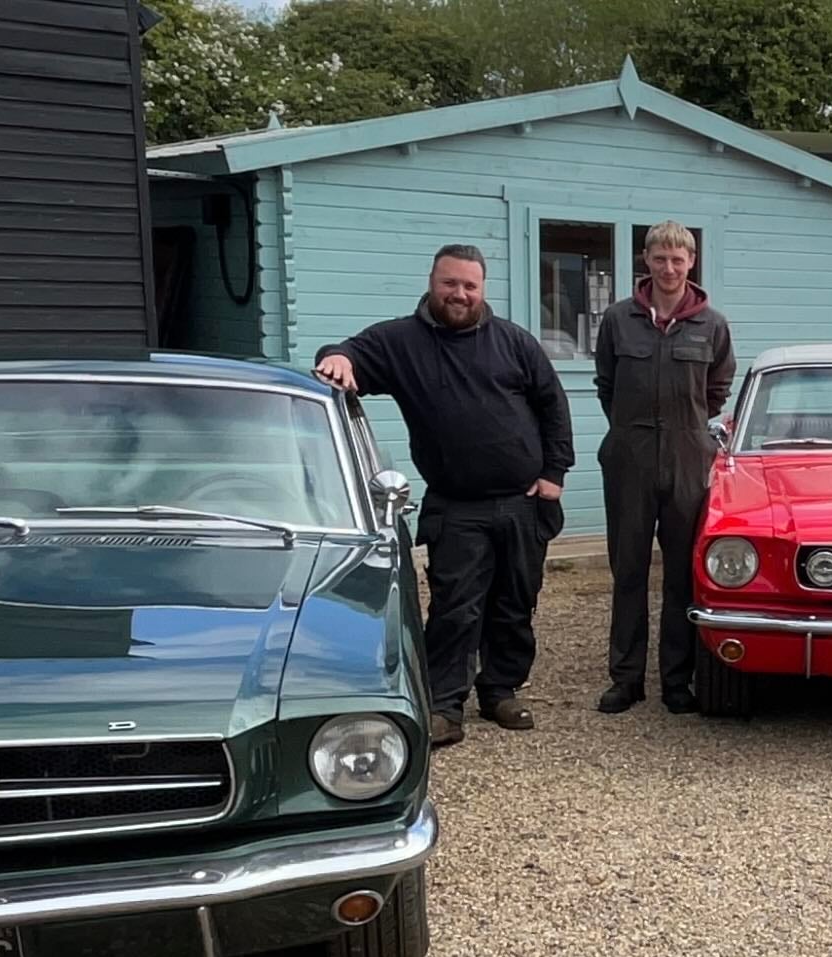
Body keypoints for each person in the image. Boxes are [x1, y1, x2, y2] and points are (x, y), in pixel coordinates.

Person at [315, 245, 574, 746]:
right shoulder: (401, 343)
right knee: (456, 607)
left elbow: (552, 404)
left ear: (482, 290)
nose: (459, 294)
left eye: (469, 286)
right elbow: (346, 353)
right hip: (457, 507)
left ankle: (501, 691)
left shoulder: (514, 343)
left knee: (515, 603)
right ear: (433, 282)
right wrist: (337, 357)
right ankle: (443, 706)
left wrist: (553, 475)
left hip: (523, 503)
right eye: (450, 284)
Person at [591, 222, 736, 714]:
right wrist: (632, 431)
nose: (669, 268)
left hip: (688, 459)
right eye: (659, 259)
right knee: (628, 572)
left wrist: (685, 428)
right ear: (646, 261)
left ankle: (677, 680)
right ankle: (626, 678)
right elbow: (606, 383)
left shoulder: (711, 325)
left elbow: (717, 390)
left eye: (678, 259)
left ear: (691, 262)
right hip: (629, 457)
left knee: (681, 576)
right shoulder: (618, 319)